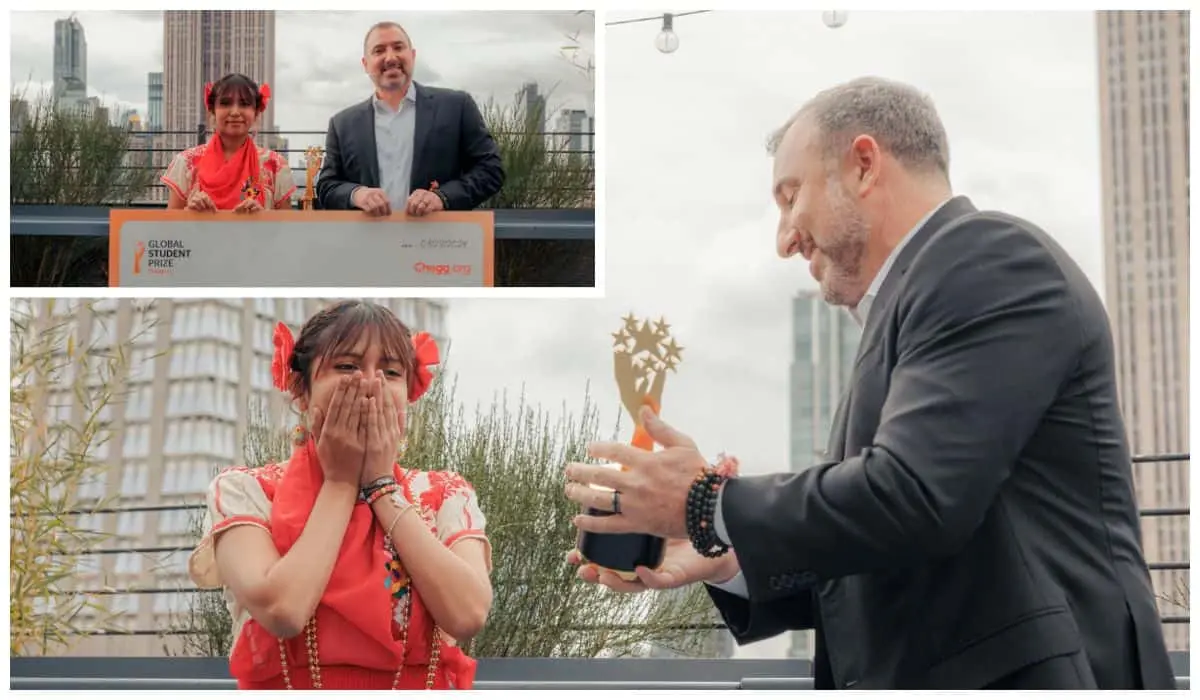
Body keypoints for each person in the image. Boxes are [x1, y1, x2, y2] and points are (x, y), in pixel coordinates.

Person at [563, 77, 1174, 690]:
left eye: (790, 195)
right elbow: (888, 548)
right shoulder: (925, 297)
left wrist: (707, 504)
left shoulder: (987, 260)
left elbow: (912, 498)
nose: (784, 239)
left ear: (863, 164)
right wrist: (726, 554)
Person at [188, 300, 492, 690]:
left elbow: (468, 613)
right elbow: (283, 609)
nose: (369, 384)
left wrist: (381, 485)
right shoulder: (246, 491)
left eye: (391, 371)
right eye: (346, 366)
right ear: (301, 389)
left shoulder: (443, 494)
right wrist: (341, 482)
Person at [316, 21, 505, 217]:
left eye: (398, 47)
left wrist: (442, 197)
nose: (390, 57)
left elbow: (491, 171)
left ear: (412, 55)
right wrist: (357, 194)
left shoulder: (457, 107)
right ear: (365, 64)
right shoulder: (342, 124)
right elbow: (327, 186)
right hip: (368, 243)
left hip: (437, 242)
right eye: (379, 50)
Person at [162, 73, 295, 212]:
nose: (235, 112)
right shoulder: (186, 163)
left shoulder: (275, 165)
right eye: (225, 103)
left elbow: (285, 229)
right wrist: (190, 214)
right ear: (212, 111)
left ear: (256, 112)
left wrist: (261, 219)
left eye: (244, 104)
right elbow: (170, 227)